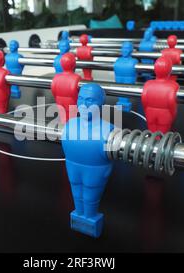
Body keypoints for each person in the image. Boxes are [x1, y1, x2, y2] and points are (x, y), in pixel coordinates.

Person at [62, 83, 114, 238]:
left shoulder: (108, 129)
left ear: (101, 104)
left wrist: (105, 169)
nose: (84, 105)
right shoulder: (70, 124)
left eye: (90, 100)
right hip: (73, 167)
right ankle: (79, 214)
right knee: (76, 192)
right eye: (81, 99)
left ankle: (89, 217)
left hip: (95, 170)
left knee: (90, 195)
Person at [141, 57, 179, 133]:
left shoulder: (148, 84)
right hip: (165, 115)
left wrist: (147, 111)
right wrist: (172, 115)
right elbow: (171, 102)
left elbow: (144, 100)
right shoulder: (173, 86)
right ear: (169, 70)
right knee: (162, 137)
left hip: (150, 113)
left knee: (152, 134)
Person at [51, 53, 81, 123]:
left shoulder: (56, 77)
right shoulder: (77, 78)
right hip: (72, 103)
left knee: (64, 121)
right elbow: (78, 93)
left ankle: (65, 131)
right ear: (74, 65)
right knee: (72, 122)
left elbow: (53, 90)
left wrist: (58, 98)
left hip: (59, 102)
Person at [113, 41, 138, 112]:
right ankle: (121, 109)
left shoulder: (134, 61)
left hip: (129, 81)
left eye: (126, 48)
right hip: (119, 79)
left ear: (131, 50)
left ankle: (124, 108)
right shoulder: (118, 60)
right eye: (123, 48)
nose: (124, 50)